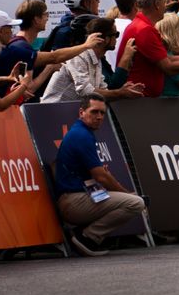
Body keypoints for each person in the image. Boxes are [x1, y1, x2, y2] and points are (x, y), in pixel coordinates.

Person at [54, 95, 149, 256]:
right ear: (81, 112)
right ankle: (87, 237)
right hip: (73, 201)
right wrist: (126, 193)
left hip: (80, 196)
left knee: (134, 200)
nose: (99, 117)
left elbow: (100, 177)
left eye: (102, 113)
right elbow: (101, 176)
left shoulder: (83, 132)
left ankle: (84, 233)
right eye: (94, 112)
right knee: (136, 203)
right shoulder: (81, 135)